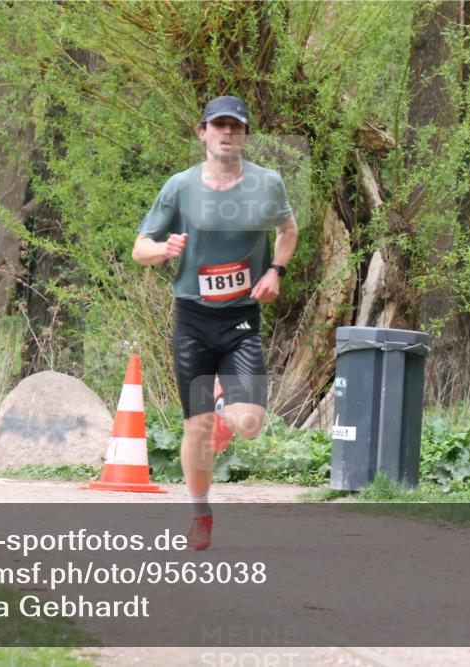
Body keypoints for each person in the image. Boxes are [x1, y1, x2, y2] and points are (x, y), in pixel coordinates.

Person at [132, 95, 299, 550]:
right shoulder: (180, 187)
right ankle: (200, 512)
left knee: (248, 422)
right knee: (196, 429)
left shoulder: (267, 184)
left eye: (236, 126)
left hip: (241, 318)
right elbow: (140, 247)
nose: (227, 133)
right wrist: (163, 251)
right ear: (203, 133)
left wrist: (274, 271)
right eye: (218, 125)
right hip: (192, 320)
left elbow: (288, 231)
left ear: (245, 135)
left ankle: (228, 406)